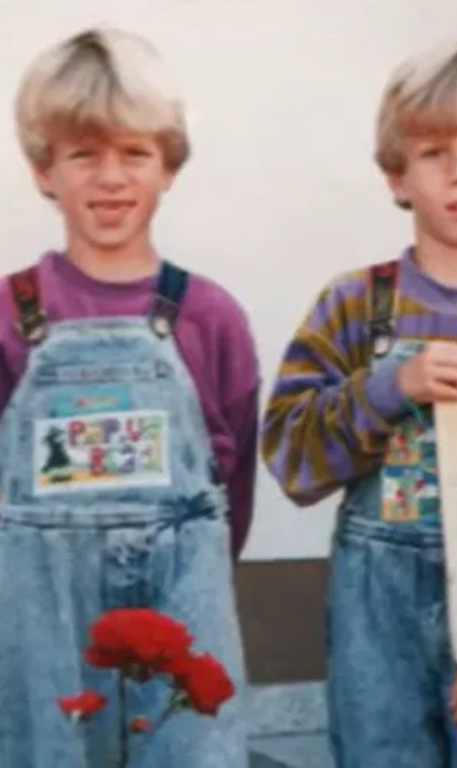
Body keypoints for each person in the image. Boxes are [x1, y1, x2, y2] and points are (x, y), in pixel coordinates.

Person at [261, 38, 457, 768]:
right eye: (434, 152)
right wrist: (385, 390)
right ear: (398, 177)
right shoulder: (350, 308)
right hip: (376, 626)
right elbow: (290, 461)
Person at [0, 27, 258, 766]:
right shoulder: (8, 313)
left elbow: (232, 488)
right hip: (40, 619)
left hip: (181, 606)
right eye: (84, 153)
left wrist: (195, 568)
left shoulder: (210, 317)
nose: (110, 177)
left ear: (169, 166)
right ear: (44, 169)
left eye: (134, 153)